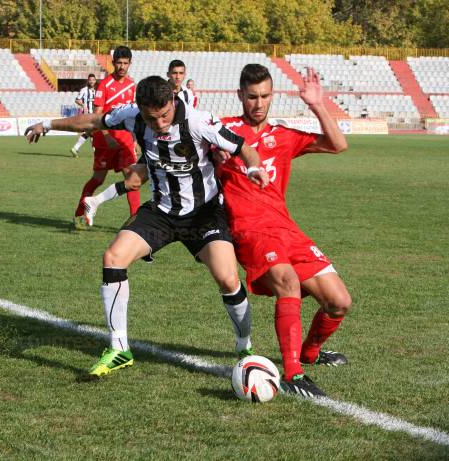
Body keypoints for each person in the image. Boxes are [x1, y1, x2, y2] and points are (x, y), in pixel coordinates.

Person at [83, 65, 351, 397]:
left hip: (286, 228)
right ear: (240, 96)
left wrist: (317, 104)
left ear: (272, 97)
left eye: (265, 96)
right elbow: (173, 156)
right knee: (288, 282)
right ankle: (292, 374)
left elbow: (338, 145)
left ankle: (309, 354)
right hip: (246, 229)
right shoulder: (220, 130)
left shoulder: (283, 135)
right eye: (252, 96)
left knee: (339, 301)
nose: (258, 103)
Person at [24, 76, 270, 379]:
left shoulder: (197, 120)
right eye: (152, 118)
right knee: (113, 258)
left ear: (172, 102)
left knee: (228, 278)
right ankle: (119, 349)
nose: (160, 123)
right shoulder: (132, 117)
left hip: (203, 213)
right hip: (162, 213)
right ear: (140, 110)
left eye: (165, 115)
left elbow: (243, 147)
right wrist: (46, 125)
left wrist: (255, 167)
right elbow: (93, 120)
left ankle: (244, 347)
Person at [72, 46, 139, 230]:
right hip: (105, 141)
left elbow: (133, 115)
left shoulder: (132, 86)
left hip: (125, 139)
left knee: (132, 178)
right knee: (98, 179)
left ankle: (135, 220)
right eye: (119, 63)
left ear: (130, 63)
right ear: (113, 63)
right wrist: (107, 135)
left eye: (125, 63)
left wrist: (134, 138)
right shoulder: (104, 85)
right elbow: (97, 114)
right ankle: (79, 213)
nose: (122, 67)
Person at [71, 73, 97, 158]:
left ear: (95, 81)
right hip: (87, 115)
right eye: (90, 80)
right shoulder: (84, 90)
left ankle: (75, 148)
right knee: (93, 133)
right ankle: (95, 153)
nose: (91, 81)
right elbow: (77, 100)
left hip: (95, 115)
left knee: (90, 133)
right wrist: (84, 106)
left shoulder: (98, 90)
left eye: (93, 80)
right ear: (88, 81)